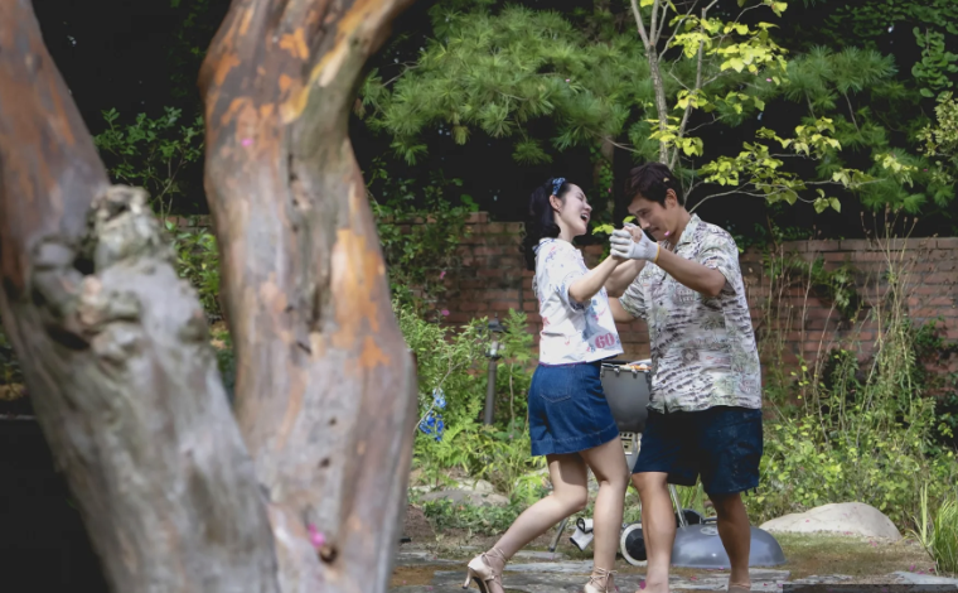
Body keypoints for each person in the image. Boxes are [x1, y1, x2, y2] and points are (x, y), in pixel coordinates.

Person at [463, 178, 631, 593]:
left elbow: (609, 289)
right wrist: (614, 256)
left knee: (569, 495)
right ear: (556, 203)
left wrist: (642, 255)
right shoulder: (558, 251)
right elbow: (581, 291)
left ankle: (490, 561)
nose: (587, 205)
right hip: (574, 379)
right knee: (615, 478)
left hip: (551, 380)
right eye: (580, 198)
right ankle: (602, 583)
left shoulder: (555, 254)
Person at [605, 162, 764, 593]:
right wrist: (576, 296)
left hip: (721, 391)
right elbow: (622, 308)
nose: (644, 223)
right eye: (637, 217)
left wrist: (653, 253)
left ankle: (740, 581)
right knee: (647, 477)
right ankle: (658, 580)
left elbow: (712, 282)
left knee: (723, 494)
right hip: (670, 394)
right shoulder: (653, 255)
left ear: (671, 198)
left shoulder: (713, 239)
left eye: (646, 212)